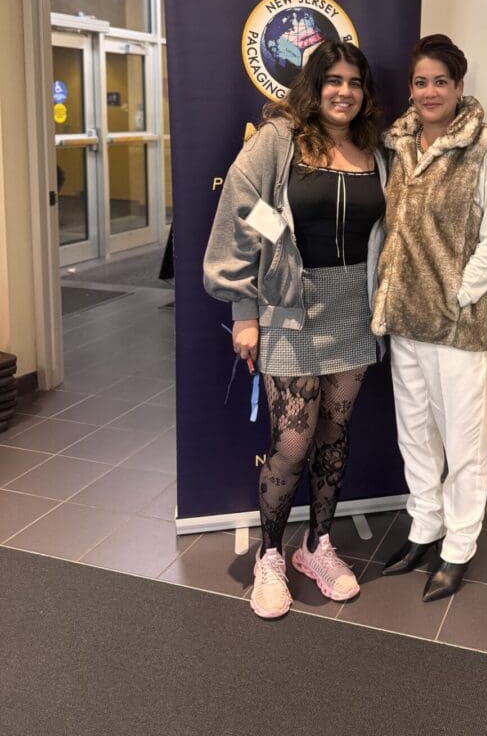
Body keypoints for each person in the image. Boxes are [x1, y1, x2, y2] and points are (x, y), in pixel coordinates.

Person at [203, 40, 387, 619]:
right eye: (333, 80)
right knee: (291, 444)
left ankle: (319, 546)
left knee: (334, 435)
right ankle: (270, 557)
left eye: (355, 82)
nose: (344, 91)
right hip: (288, 312)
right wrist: (245, 311)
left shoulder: (374, 151)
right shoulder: (279, 142)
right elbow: (244, 209)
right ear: (314, 85)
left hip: (353, 311)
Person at [371, 34, 487, 602]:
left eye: (441, 81)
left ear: (459, 87)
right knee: (416, 434)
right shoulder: (397, 143)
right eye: (420, 81)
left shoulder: (483, 146)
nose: (429, 92)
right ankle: (424, 528)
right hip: (404, 318)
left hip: (457, 326)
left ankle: (458, 546)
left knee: (463, 437)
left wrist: (458, 295)